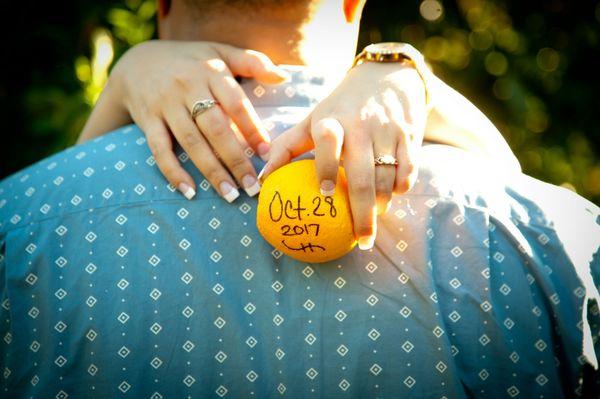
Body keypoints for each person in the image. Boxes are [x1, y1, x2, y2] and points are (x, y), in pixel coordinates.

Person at [0, 1, 598, 398]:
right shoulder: (554, 230)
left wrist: (119, 84)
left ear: (162, 5)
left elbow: (49, 218)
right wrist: (410, 72)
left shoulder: (18, 220)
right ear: (352, 5)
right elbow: (523, 211)